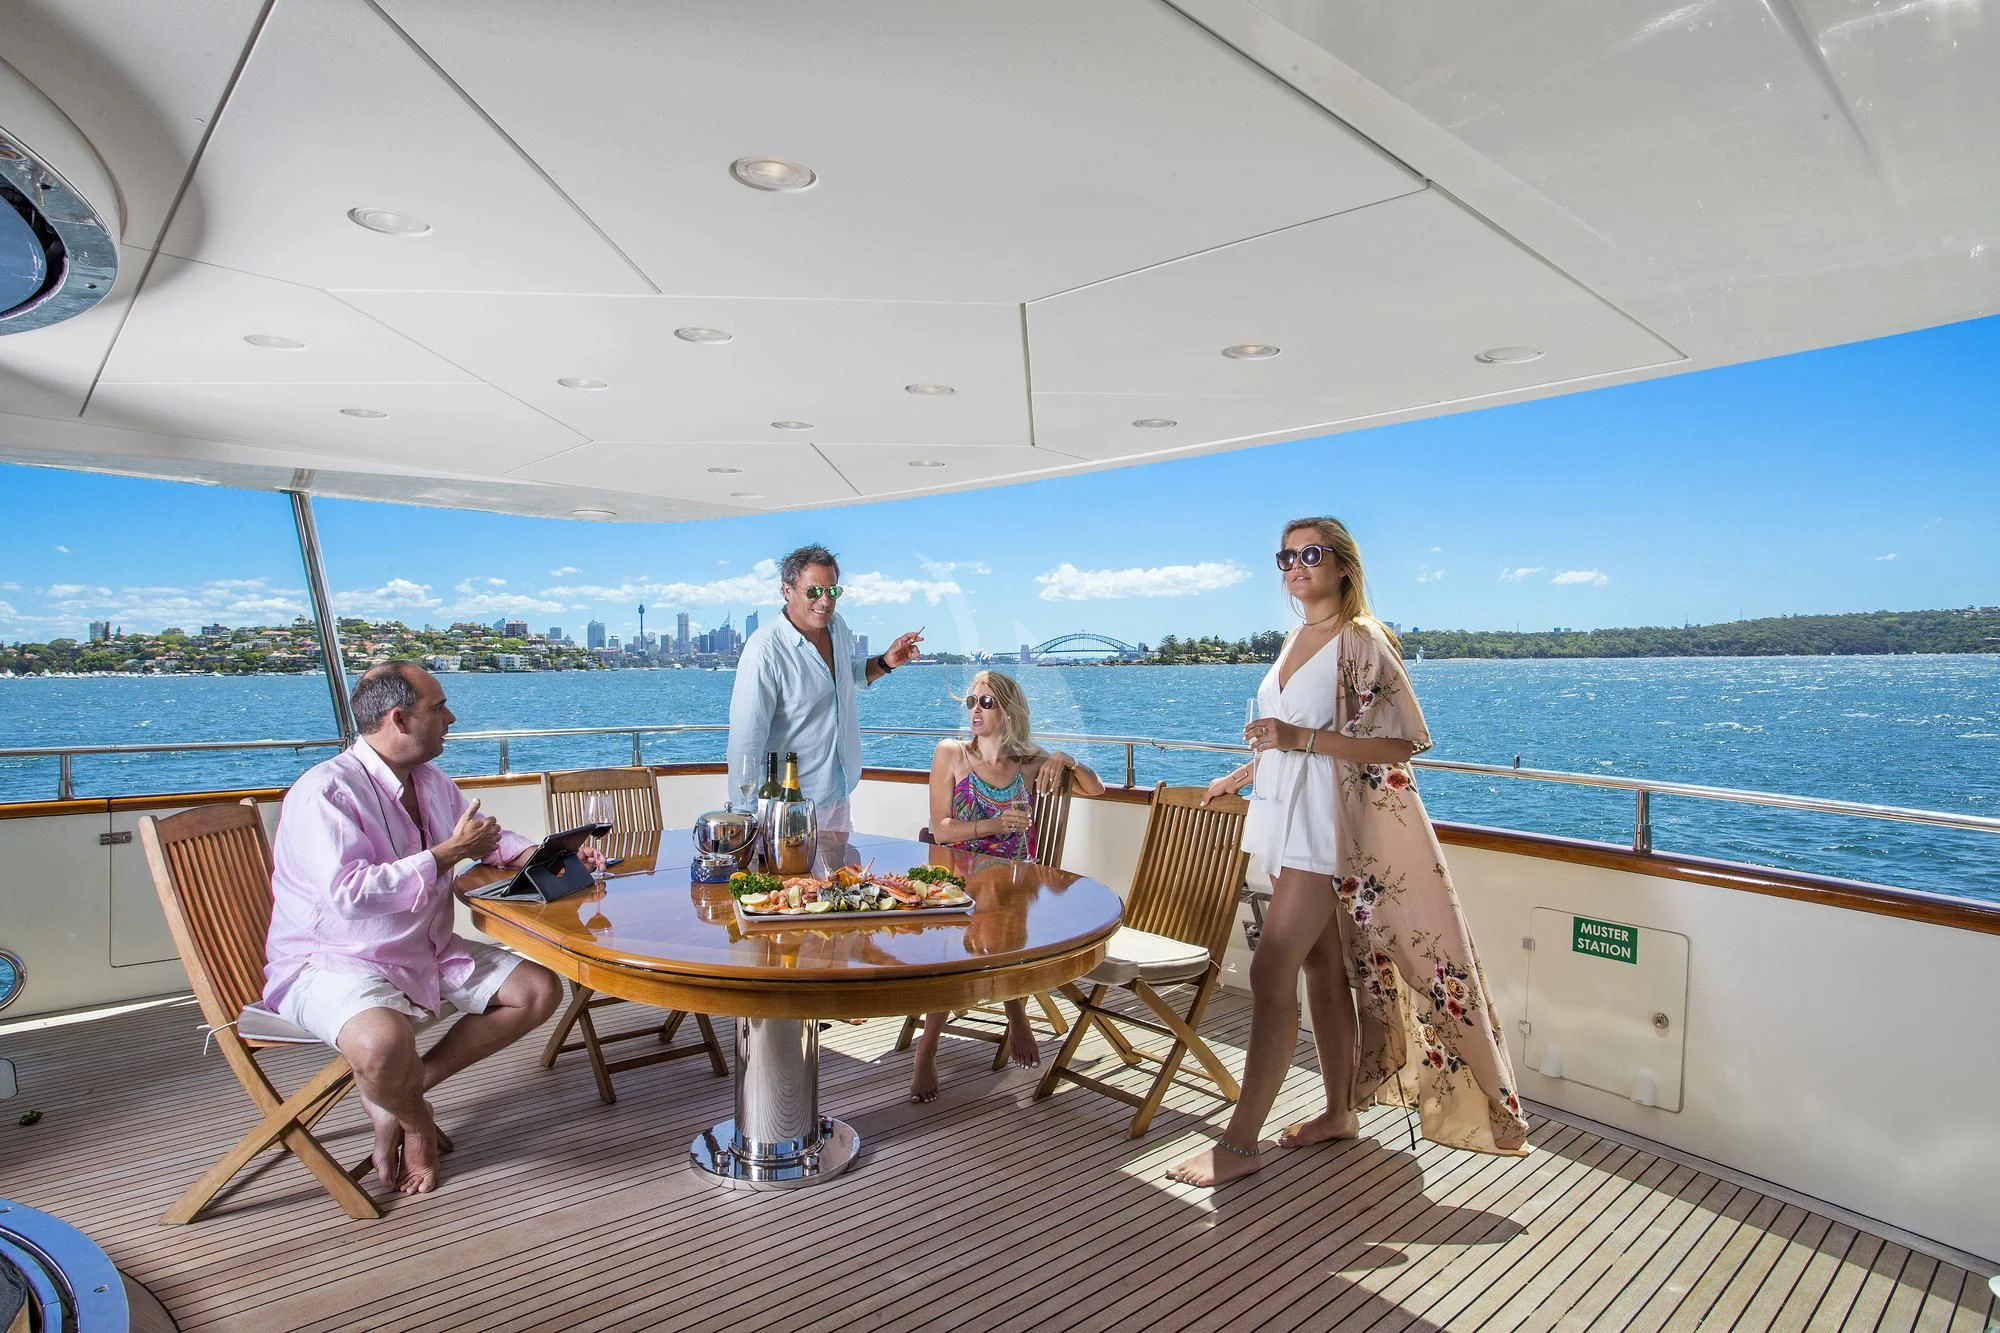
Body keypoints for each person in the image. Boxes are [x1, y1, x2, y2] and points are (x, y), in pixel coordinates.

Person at [1167, 517, 1530, 1187]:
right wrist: (1239, 775)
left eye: (1311, 553)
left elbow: (1401, 743)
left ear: (1342, 566)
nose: (1296, 566)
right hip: (1285, 821)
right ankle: (1340, 1113)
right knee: (1321, 970)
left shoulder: (1361, 638)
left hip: (1325, 830)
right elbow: (1285, 738)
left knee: (1271, 971)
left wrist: (1297, 738)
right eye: (1286, 557)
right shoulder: (1294, 639)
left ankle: (1239, 1143)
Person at [263, 662, 592, 1195]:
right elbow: (349, 894)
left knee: (537, 990)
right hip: (336, 961)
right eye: (438, 708)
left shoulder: (431, 781)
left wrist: (543, 856)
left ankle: (400, 1093)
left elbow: (484, 838)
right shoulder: (325, 791)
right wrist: (446, 854)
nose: (451, 718)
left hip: (424, 948)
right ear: (399, 719)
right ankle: (415, 1121)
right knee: (381, 1046)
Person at [908, 671, 1104, 1101]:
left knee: (999, 905)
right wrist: (996, 824)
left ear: (1009, 711)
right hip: (958, 878)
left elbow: (1096, 787)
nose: (975, 710)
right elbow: (941, 830)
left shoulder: (1028, 763)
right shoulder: (952, 753)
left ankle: (1005, 1014)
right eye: (971, 702)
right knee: (968, 927)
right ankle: (939, 1043)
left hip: (1015, 881)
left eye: (986, 702)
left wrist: (1066, 759)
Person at [726, 544, 924, 841]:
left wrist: (885, 662)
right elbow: (745, 740)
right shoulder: (763, 651)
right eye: (814, 591)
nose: (825, 601)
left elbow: (842, 677)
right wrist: (746, 822)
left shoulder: (837, 626)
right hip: (789, 809)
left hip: (837, 796)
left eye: (832, 591)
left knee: (843, 873)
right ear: (787, 590)